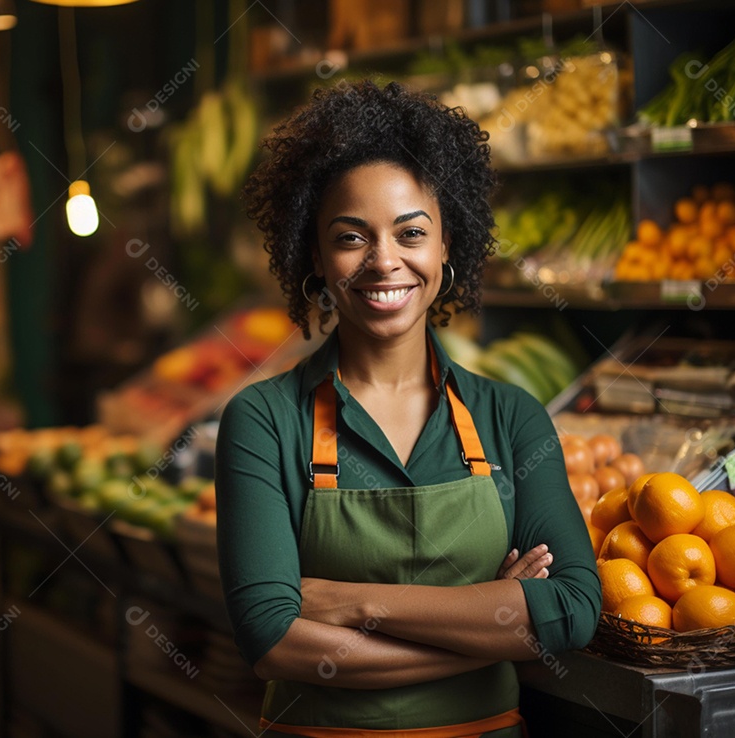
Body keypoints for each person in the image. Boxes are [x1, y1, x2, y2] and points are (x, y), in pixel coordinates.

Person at [214, 80, 601, 737]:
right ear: (313, 254)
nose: (384, 261)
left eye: (411, 232)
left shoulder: (512, 419)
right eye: (351, 237)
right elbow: (274, 640)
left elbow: (569, 609)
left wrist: (344, 602)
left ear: (448, 245)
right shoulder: (263, 421)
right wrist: (489, 621)